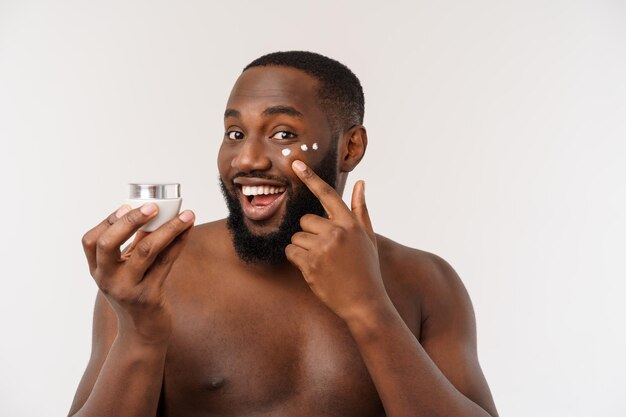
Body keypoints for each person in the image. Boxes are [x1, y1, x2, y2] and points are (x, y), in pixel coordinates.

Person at [68, 51, 499, 417]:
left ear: (350, 148)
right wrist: (139, 334)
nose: (247, 159)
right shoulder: (155, 277)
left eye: (282, 134)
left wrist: (370, 309)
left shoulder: (425, 281)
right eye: (235, 134)